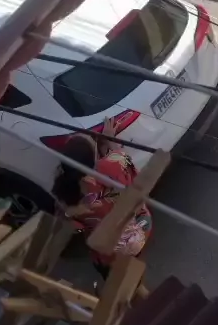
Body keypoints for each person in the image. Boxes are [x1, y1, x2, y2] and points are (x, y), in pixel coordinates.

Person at [52, 119, 152, 281]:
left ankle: (127, 283)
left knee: (116, 281)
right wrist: (110, 140)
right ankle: (135, 280)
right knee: (132, 272)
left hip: (105, 251)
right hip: (135, 236)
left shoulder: (63, 195)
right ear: (94, 157)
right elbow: (126, 166)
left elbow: (71, 222)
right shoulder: (114, 165)